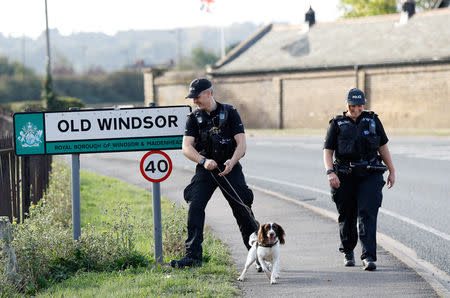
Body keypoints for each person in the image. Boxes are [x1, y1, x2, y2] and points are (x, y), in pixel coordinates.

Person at [170, 78, 259, 268]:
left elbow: (242, 144)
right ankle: (193, 257)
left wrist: (232, 161)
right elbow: (186, 146)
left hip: (229, 167)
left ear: (208, 93)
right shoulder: (193, 118)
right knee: (195, 206)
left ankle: (258, 255)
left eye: (197, 97)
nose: (194, 101)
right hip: (206, 168)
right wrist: (203, 161)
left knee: (242, 209)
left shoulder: (230, 112)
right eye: (192, 97)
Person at [323, 88, 395, 271]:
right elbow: (328, 151)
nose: (356, 109)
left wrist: (392, 170)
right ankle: (348, 251)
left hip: (369, 174)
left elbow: (383, 147)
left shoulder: (372, 120)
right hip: (345, 176)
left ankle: (368, 256)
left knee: (367, 214)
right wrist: (330, 172)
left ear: (364, 104)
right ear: (347, 105)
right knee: (347, 215)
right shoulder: (337, 124)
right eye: (353, 105)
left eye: (360, 105)